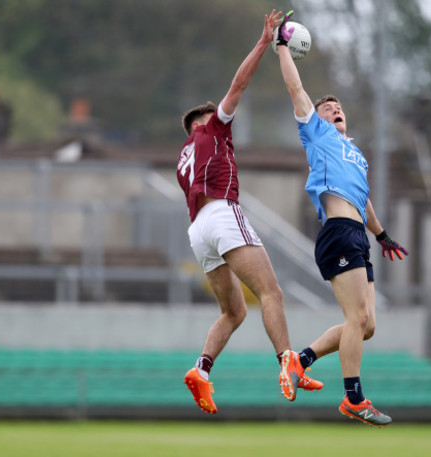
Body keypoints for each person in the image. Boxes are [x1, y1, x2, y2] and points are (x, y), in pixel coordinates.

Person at [177, 9, 322, 415]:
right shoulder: (212, 129)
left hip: (197, 231)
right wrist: (263, 43)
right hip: (222, 215)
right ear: (203, 123)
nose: (224, 116)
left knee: (233, 310)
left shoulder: (183, 157)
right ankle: (287, 361)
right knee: (271, 293)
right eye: (215, 114)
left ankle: (201, 370)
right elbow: (240, 83)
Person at [275, 11, 408, 426]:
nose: (334, 109)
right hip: (337, 233)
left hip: (358, 235)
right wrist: (282, 46)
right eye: (327, 107)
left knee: (366, 326)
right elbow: (296, 87)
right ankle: (354, 398)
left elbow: (362, 200)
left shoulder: (357, 155)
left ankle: (302, 359)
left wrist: (383, 235)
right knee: (356, 319)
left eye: (339, 107)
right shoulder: (317, 134)